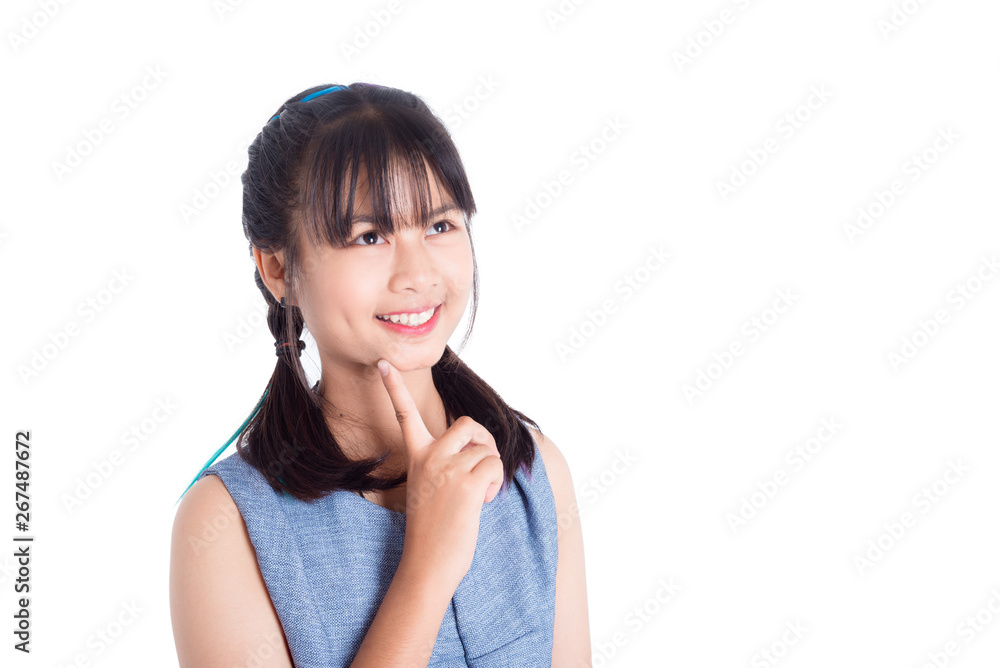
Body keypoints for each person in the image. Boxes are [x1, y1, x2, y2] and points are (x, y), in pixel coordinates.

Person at [168, 82, 592, 667]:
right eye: (370, 236)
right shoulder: (225, 525)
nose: (418, 273)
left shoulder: (531, 470)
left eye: (440, 225)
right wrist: (425, 572)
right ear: (277, 267)